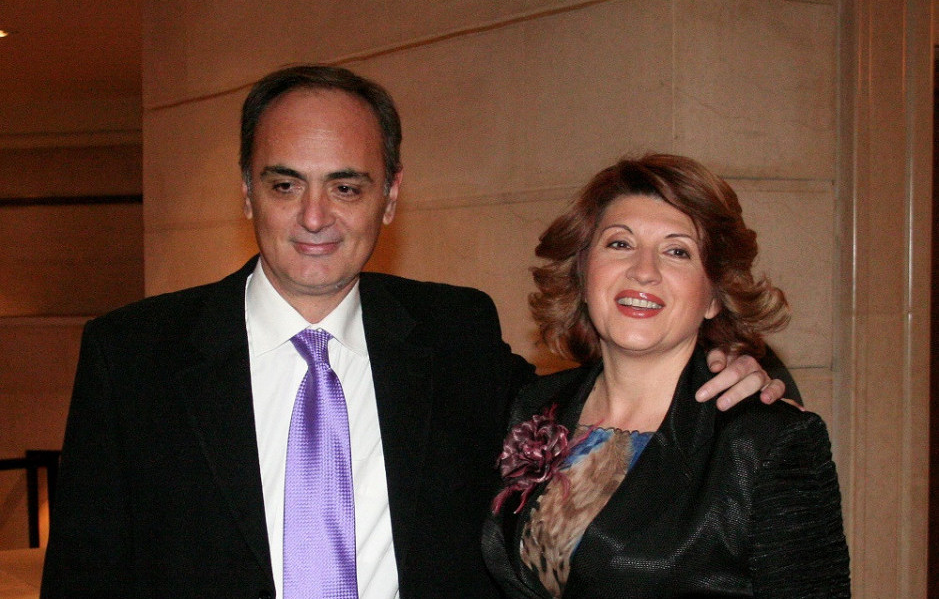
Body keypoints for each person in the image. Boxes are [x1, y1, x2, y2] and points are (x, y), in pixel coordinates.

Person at [41, 67, 791, 599]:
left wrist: (729, 364)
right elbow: (84, 578)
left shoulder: (454, 333)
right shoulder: (133, 356)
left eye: (346, 185)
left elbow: (596, 403)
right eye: (284, 184)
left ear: (390, 197)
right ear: (246, 192)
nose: (314, 216)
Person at [482, 154, 849, 598]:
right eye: (620, 244)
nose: (643, 271)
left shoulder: (765, 440)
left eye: (677, 252)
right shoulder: (533, 406)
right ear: (582, 271)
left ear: (714, 296)